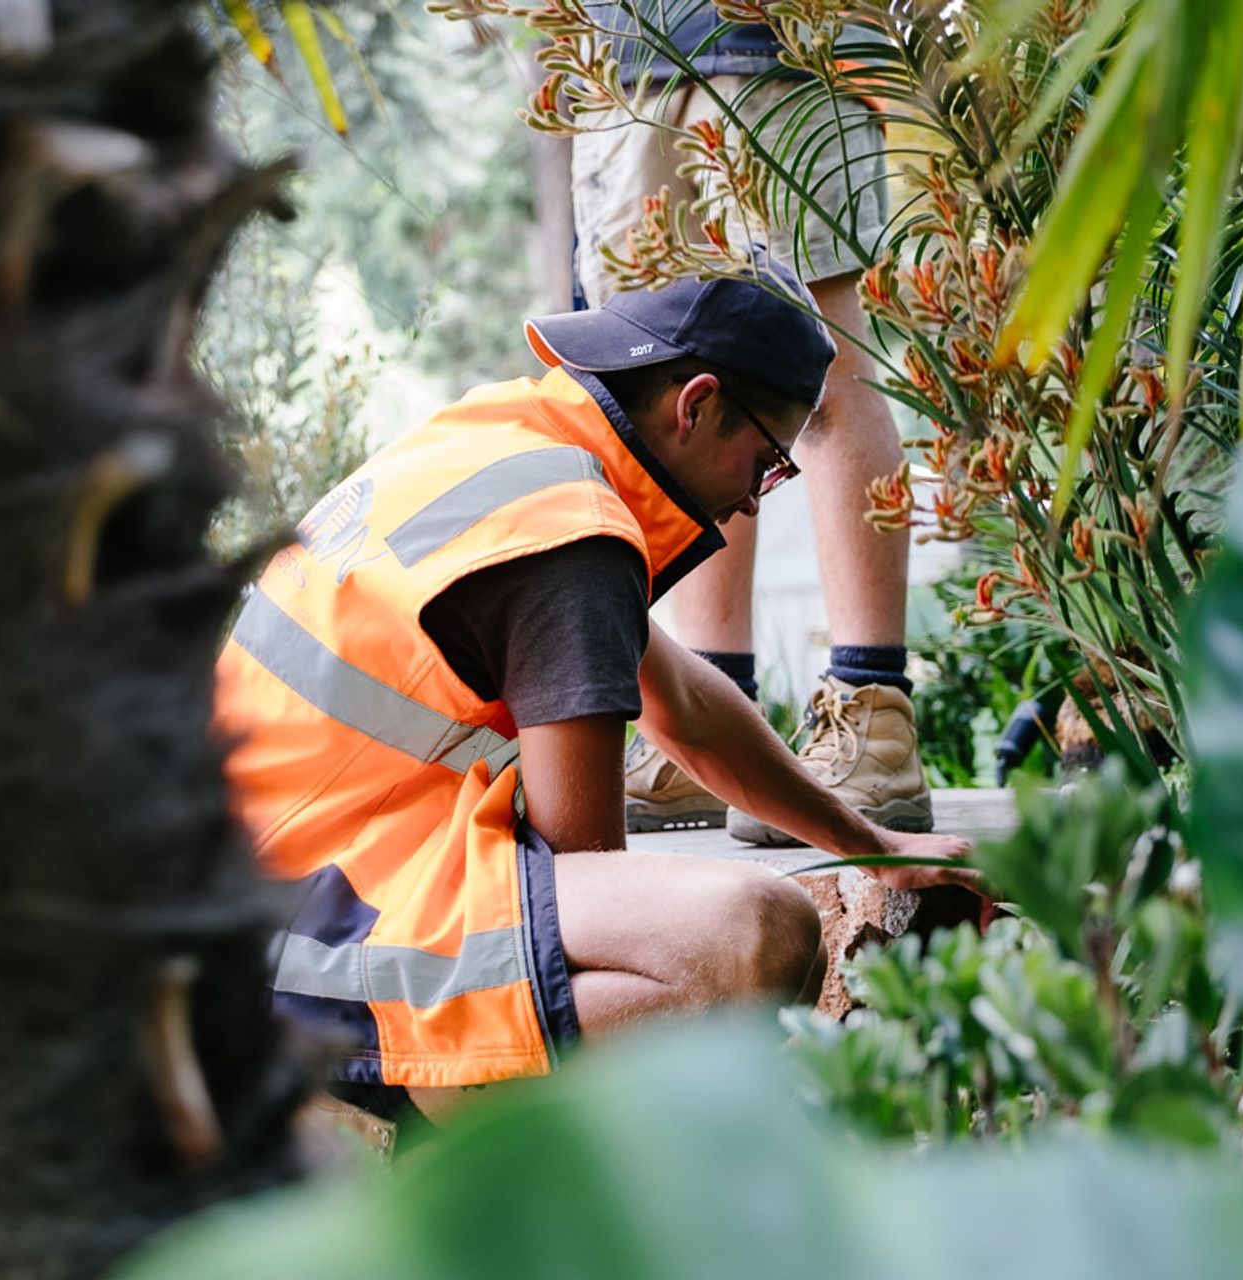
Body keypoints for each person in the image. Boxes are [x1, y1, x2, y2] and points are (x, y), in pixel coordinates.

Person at [214, 257, 974, 1122]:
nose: (754, 502)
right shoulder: (573, 539)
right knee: (757, 934)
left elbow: (685, 707)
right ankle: (503, 1167)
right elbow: (582, 873)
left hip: (264, 887)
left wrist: (867, 841)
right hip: (293, 937)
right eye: (766, 462)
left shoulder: (518, 447)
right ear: (696, 404)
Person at [574, 4, 927, 844]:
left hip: (781, 39)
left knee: (824, 372)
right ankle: (703, 739)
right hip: (625, 56)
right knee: (668, 392)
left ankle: (873, 716)